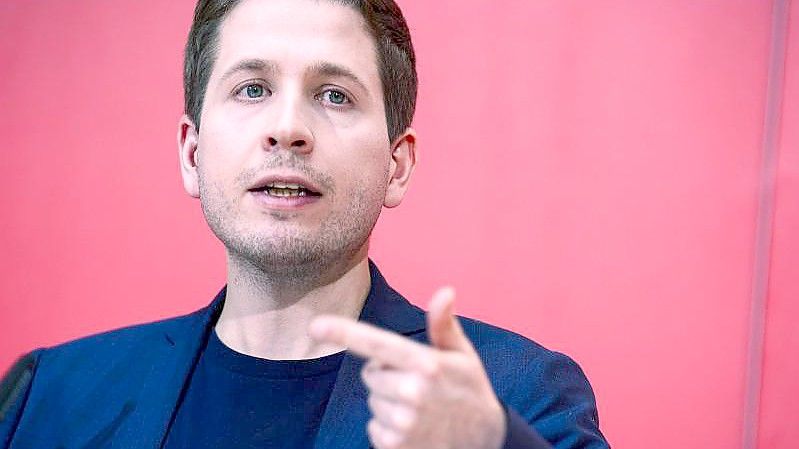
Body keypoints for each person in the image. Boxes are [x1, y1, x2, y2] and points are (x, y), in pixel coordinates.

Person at [0, 0, 610, 448]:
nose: (288, 126)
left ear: (397, 166)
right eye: (252, 88)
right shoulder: (49, 397)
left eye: (334, 95)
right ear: (192, 153)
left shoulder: (516, 397)